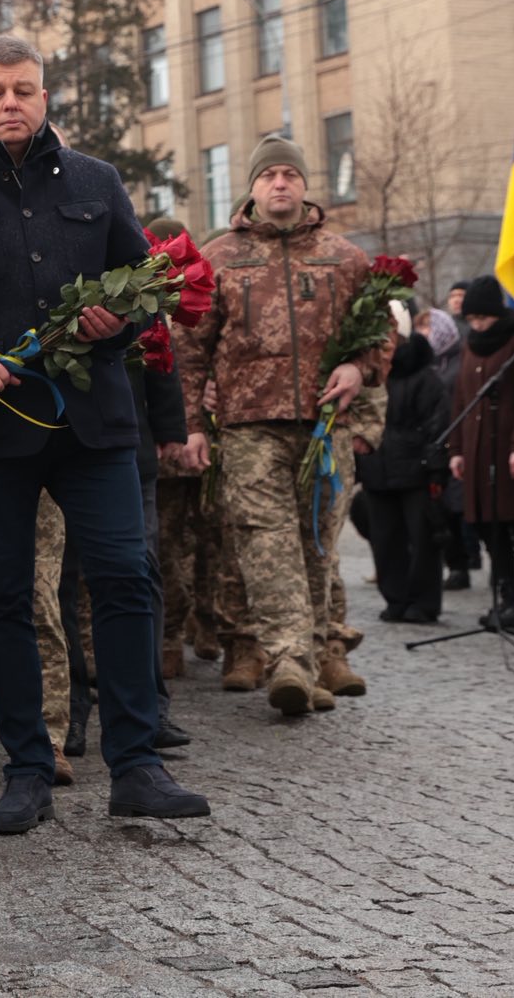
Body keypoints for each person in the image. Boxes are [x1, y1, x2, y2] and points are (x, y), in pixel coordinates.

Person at [0, 34, 208, 833]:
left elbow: (145, 284)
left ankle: (137, 766)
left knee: (127, 579)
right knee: (6, 597)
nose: (11, 103)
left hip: (94, 428)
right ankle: (27, 767)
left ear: (46, 97)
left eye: (24, 89)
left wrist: (117, 318)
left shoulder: (97, 183)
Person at [174, 134, 384, 716]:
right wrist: (193, 425)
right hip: (247, 427)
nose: (280, 184)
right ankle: (289, 659)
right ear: (252, 186)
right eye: (269, 176)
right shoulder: (218, 258)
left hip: (322, 428)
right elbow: (189, 350)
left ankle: (313, 663)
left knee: (316, 546)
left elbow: (378, 339)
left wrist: (357, 367)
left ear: (306, 184)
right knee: (267, 546)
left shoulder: (345, 258)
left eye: (290, 173)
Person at [449, 276, 514, 628]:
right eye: (472, 320)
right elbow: (461, 399)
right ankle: (506, 595)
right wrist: (457, 449)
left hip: (511, 448)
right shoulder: (470, 346)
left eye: (482, 319)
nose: (476, 325)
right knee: (488, 525)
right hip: (478, 451)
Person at [356, 329, 449, 623]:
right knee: (385, 540)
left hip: (415, 472)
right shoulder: (369, 378)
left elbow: (438, 426)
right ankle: (395, 597)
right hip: (377, 469)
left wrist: (434, 469)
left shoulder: (426, 379)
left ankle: (423, 601)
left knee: (422, 540)